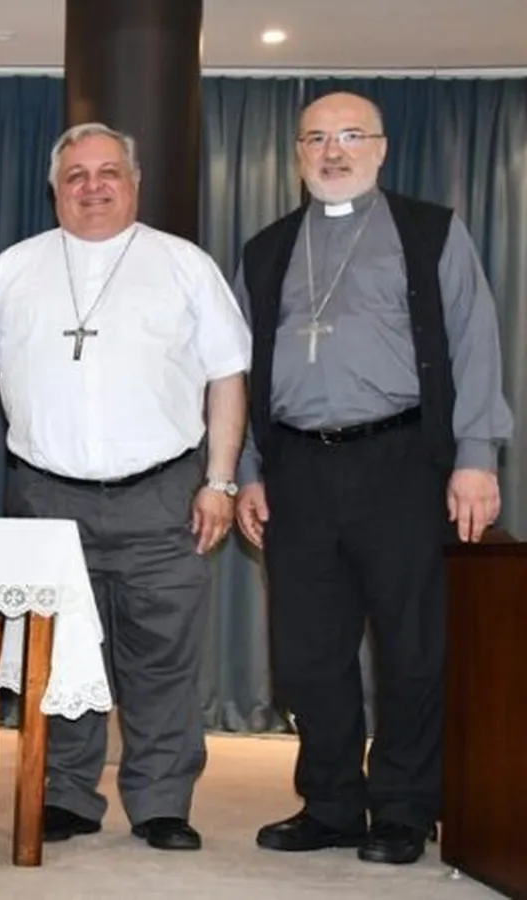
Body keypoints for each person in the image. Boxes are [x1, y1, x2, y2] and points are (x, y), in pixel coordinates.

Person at [233, 91, 513, 866]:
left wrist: (477, 455)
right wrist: (246, 468)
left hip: (401, 462)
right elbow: (239, 371)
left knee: (413, 647)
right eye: (316, 138)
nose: (333, 152)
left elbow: (476, 342)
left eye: (351, 136)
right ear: (297, 153)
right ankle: (330, 803)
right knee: (306, 652)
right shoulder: (265, 249)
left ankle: (403, 807)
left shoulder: (430, 231)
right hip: (296, 468)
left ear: (381, 148)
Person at [0, 122, 251, 852]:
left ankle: (161, 803)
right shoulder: (12, 270)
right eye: (76, 176)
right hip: (46, 497)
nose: (92, 187)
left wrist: (221, 481)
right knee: (60, 654)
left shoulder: (184, 266)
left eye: (108, 173)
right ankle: (66, 794)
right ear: (55, 190)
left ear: (135, 183)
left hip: (163, 493)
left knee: (163, 657)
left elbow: (227, 375)